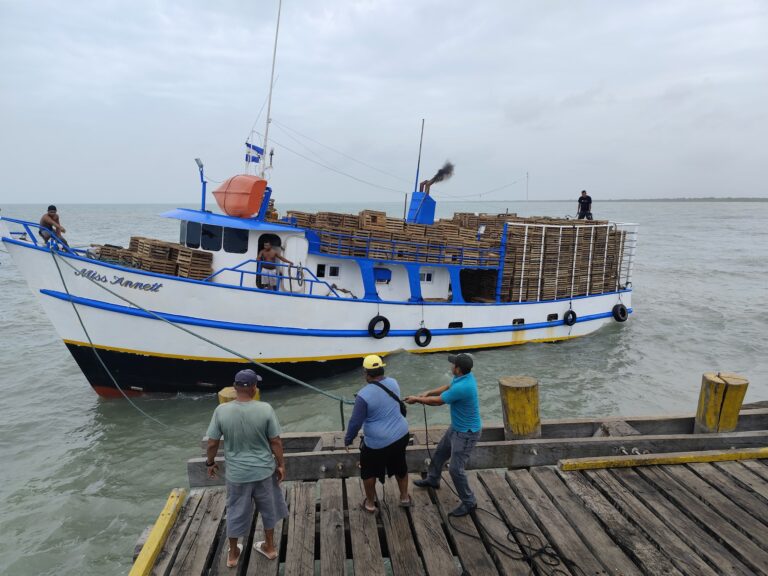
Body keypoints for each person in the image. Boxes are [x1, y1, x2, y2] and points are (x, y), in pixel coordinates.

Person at [206, 369, 288, 567]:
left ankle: (233, 554)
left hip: (237, 475)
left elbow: (212, 443)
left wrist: (210, 463)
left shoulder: (221, 411)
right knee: (268, 509)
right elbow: (275, 441)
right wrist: (281, 465)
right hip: (263, 472)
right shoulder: (266, 409)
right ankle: (269, 547)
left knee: (235, 511)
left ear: (234, 388)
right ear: (253, 388)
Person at [405, 353, 482, 517]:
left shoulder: (464, 387)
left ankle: (469, 502)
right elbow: (448, 387)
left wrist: (418, 399)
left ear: (458, 369)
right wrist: (428, 392)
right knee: (440, 453)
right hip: (456, 427)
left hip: (466, 433)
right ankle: (433, 479)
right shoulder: (463, 377)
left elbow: (439, 402)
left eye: (453, 364)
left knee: (455, 469)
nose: (450, 366)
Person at [344, 355, 411, 512]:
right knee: (401, 465)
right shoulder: (393, 383)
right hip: (401, 434)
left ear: (367, 373)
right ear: (382, 369)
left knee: (368, 471)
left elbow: (355, 423)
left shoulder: (363, 395)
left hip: (377, 443)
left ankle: (370, 503)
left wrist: (348, 439)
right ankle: (404, 498)